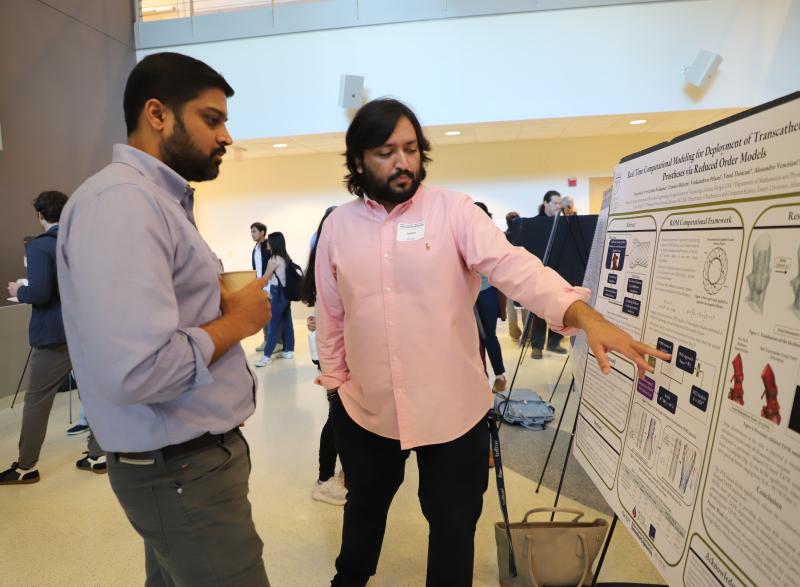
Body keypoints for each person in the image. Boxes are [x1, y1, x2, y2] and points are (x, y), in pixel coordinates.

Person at [314, 98, 668, 586]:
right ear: (358, 160)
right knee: (362, 522)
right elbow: (331, 315)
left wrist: (582, 314)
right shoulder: (338, 227)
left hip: (454, 412)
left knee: (454, 530)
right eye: (386, 151)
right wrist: (336, 388)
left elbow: (515, 268)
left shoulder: (453, 211)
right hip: (368, 412)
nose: (403, 162)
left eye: (411, 149)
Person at [57, 52, 271, 585]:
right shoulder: (124, 203)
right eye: (212, 119)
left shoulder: (153, 200)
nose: (225, 137)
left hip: (186, 463)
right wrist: (236, 322)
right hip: (178, 467)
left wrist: (210, 305)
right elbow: (138, 371)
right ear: (158, 114)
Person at [1, 190, 106, 485]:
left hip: (55, 334)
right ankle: (98, 455)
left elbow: (41, 293)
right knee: (94, 395)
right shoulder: (84, 241)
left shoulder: (39, 247)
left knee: (37, 400)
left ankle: (25, 467)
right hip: (87, 330)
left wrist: (18, 290)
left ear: (39, 216)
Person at [301, 206, 347, 506]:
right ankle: (324, 477)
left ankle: (338, 474)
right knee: (338, 417)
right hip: (332, 351)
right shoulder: (325, 256)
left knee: (343, 416)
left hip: (340, 348)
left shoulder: (335, 253)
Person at [474, 202, 507, 393]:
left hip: (487, 291)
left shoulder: (493, 235)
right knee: (473, 339)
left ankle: (500, 375)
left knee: (489, 336)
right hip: (467, 294)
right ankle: (480, 378)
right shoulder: (463, 234)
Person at [529, 189, 566, 359]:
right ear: (546, 204)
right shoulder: (536, 223)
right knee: (539, 311)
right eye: (556, 203)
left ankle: (554, 342)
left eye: (560, 203)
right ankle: (536, 346)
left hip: (560, 271)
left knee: (559, 308)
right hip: (540, 273)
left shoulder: (564, 222)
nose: (559, 206)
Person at [254, 232, 295, 367]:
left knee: (273, 324)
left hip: (277, 294)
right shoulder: (285, 258)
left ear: (274, 243)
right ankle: (288, 350)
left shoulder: (273, 259)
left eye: (269, 241)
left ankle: (266, 356)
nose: (267, 243)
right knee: (287, 322)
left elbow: (265, 278)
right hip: (286, 293)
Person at [504, 211, 521, 342]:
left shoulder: (503, 236)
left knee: (511, 307)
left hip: (508, 275)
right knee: (526, 305)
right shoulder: (523, 236)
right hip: (523, 273)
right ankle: (528, 332)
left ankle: (514, 334)